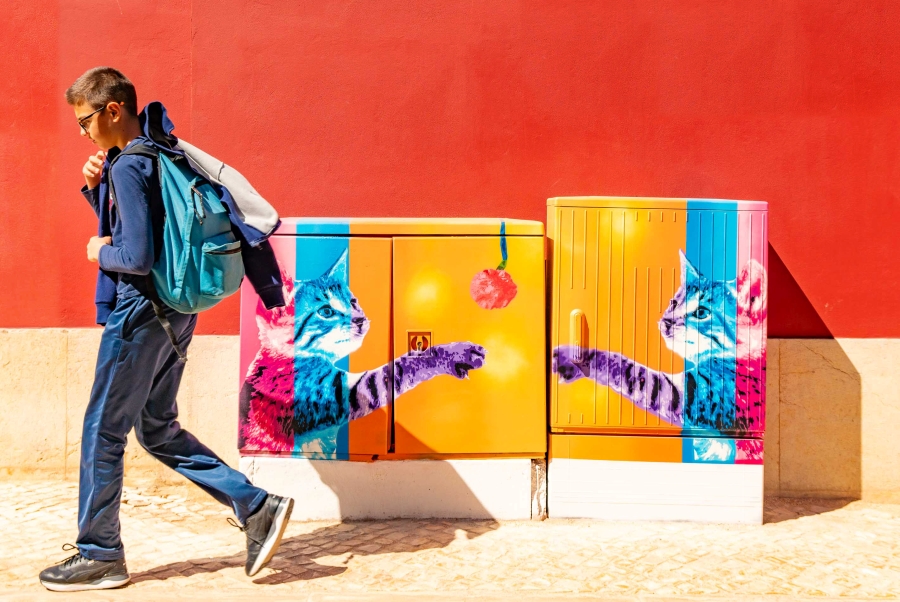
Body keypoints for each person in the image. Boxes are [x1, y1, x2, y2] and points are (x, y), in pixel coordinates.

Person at [39, 67, 294, 592]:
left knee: (101, 430)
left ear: (113, 111)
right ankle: (256, 505)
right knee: (156, 428)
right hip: (175, 312)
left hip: (139, 314)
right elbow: (149, 229)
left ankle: (99, 553)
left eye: (84, 120)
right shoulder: (155, 152)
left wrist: (97, 251)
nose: (82, 132)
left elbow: (133, 253)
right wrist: (96, 188)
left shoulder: (130, 165)